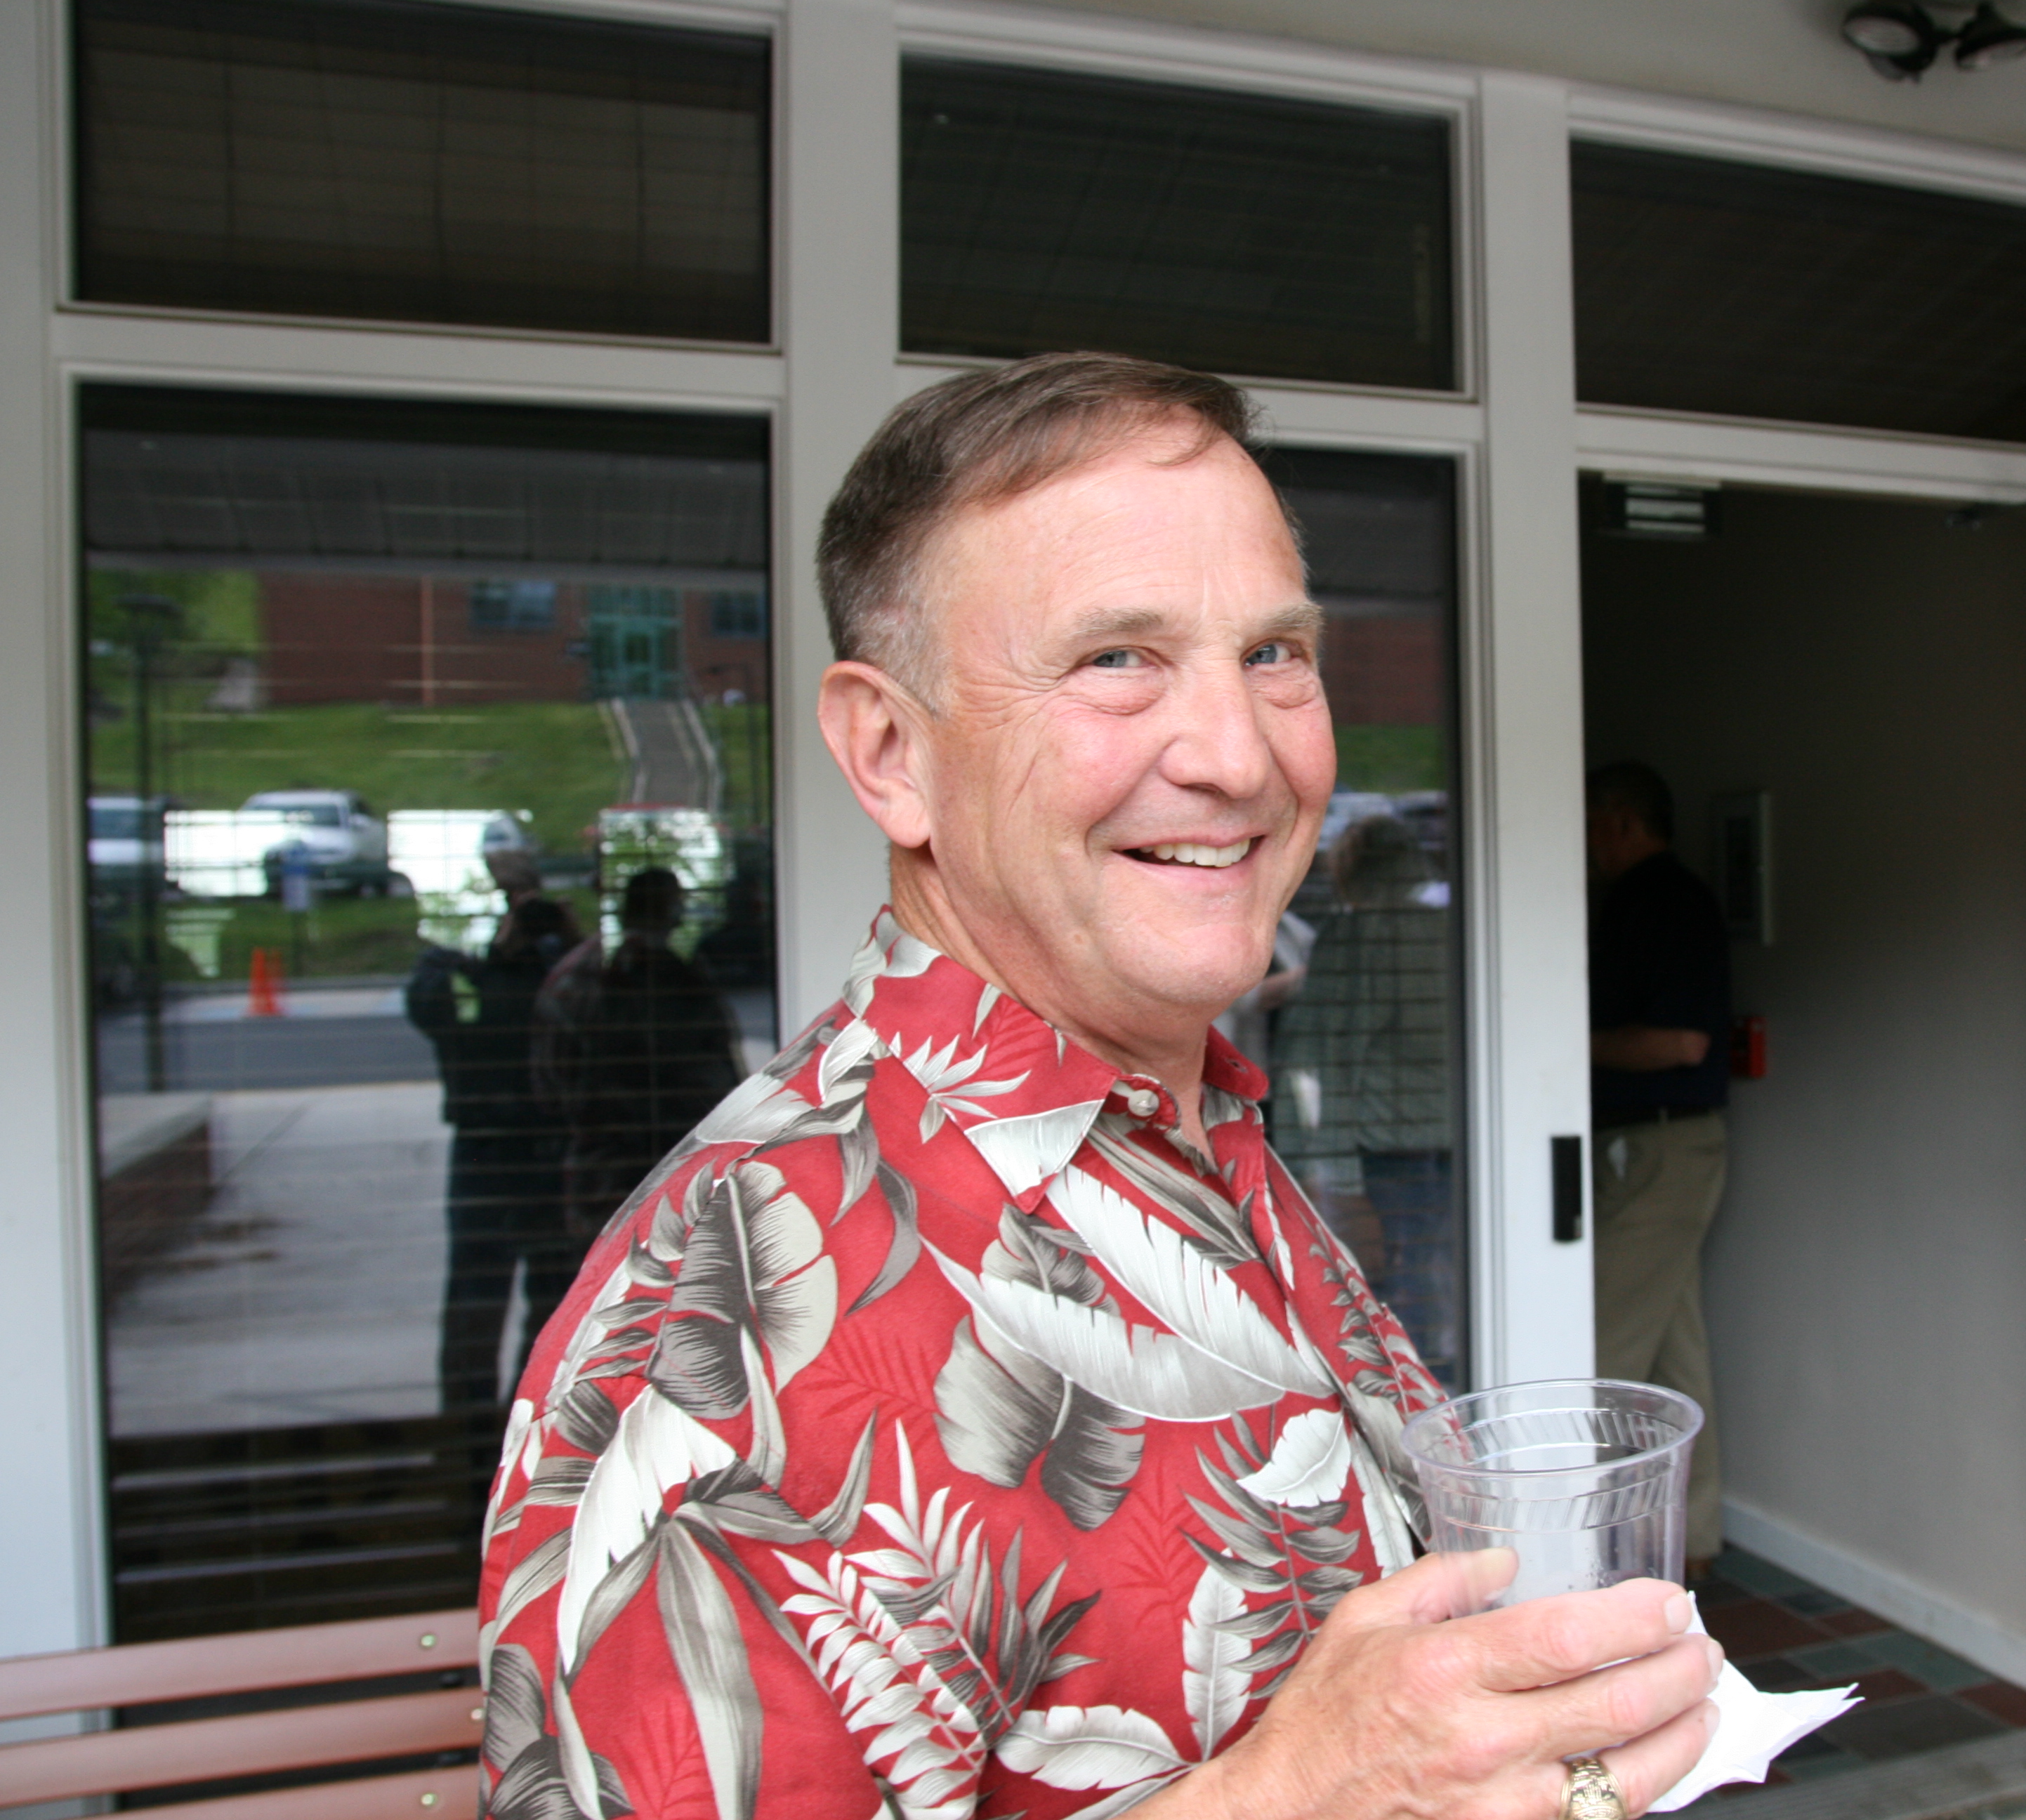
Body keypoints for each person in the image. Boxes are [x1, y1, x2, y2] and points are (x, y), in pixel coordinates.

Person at [476, 354, 1719, 1820]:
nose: (1239, 756)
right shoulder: (726, 1323)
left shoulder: (1198, 1126)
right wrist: (1293, 1799)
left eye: (1274, 652)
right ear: (890, 751)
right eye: (1117, 658)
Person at [1584, 760, 1732, 1578]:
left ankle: (1589, 1547)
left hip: (1662, 1148)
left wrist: (1567, 1042)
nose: (1584, 840)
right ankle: (1694, 1539)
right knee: (1678, 1353)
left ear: (1623, 821)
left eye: (1591, 822)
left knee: (1603, 1345)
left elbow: (1682, 1042)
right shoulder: (1645, 901)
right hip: (1662, 1147)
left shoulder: (1665, 902)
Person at [404, 861, 579, 1498]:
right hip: (522, 1158)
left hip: (496, 1160)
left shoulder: (481, 988)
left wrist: (497, 953)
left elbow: (426, 996)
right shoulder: (552, 987)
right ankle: (496, 1441)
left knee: (497, 1307)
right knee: (528, 1306)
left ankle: (480, 1441)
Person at [1271, 815, 1460, 1383]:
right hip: (1455, 1149)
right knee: (1438, 1284)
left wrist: (1328, 1178)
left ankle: (1411, 1413)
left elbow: (1321, 1063)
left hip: (1385, 1161)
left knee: (1389, 1298)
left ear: (1351, 871)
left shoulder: (1362, 937)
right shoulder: (1457, 930)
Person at [532, 864, 746, 1245]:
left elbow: (550, 1077)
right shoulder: (604, 978)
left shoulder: (581, 977)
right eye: (675, 903)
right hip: (643, 1167)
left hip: (623, 1166)